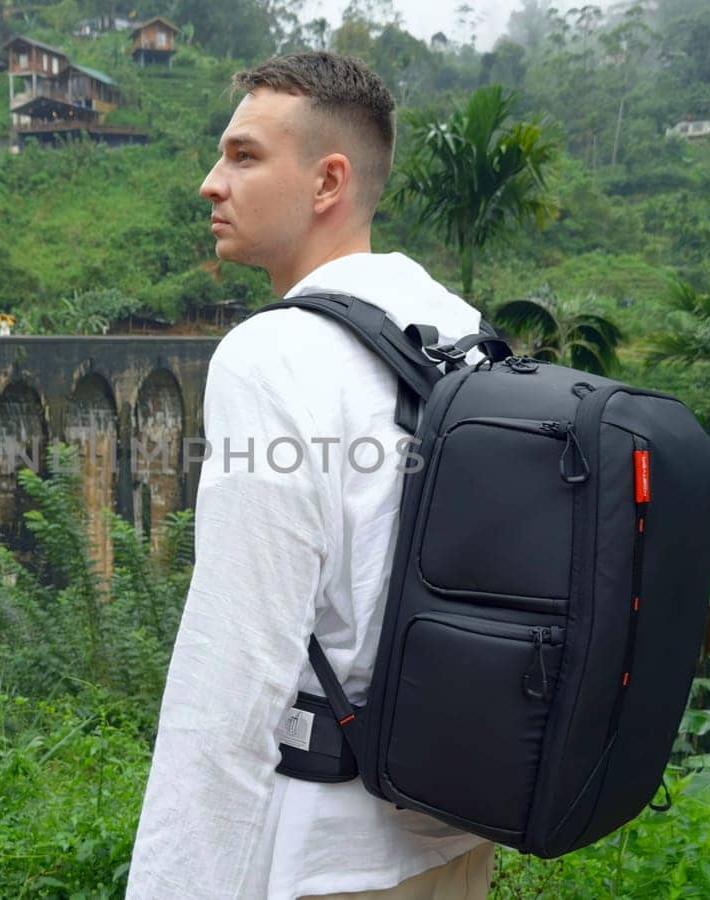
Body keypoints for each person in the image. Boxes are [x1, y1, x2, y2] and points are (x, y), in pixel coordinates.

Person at [128, 52, 491, 899]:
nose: (211, 183)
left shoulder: (271, 354)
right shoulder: (453, 325)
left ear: (328, 181)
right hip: (452, 829)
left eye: (244, 156)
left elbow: (234, 665)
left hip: (325, 857)